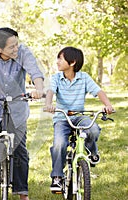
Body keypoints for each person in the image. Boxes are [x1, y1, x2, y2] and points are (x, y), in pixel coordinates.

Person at [0, 27, 45, 200]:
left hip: (17, 105)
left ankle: (22, 191)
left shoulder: (23, 52)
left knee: (20, 148)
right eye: (12, 46)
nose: (16, 49)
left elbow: (35, 72)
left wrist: (39, 88)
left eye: (16, 44)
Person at [44, 46, 114, 192]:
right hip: (62, 118)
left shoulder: (84, 78)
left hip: (80, 116)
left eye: (60, 58)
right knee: (59, 143)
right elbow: (51, 91)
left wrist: (108, 105)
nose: (57, 61)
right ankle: (57, 177)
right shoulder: (56, 78)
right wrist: (48, 104)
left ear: (72, 62)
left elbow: (98, 91)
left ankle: (92, 152)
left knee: (93, 129)